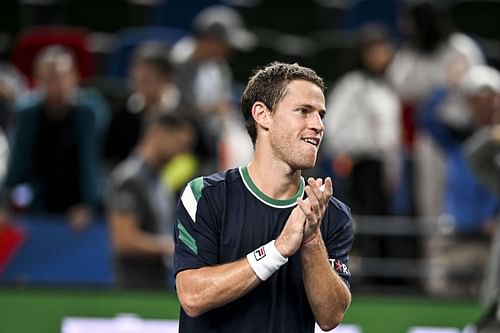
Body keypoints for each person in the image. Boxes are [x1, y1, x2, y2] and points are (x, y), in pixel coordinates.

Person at [173, 62, 353, 332]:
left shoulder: (331, 213)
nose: (318, 125)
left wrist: (313, 239)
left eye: (320, 115)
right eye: (303, 111)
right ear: (262, 115)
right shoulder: (205, 196)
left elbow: (330, 317)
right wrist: (278, 250)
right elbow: (193, 296)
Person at [420, 64, 500, 297]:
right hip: (458, 236)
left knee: (490, 300)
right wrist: (447, 86)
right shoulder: (459, 140)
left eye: (490, 98)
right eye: (476, 99)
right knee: (446, 296)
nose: (484, 104)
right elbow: (427, 118)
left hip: (490, 239)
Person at [0, 45, 101, 231]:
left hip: (78, 209)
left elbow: (91, 164)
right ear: (37, 80)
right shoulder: (27, 113)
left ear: (74, 77)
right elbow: (17, 164)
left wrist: (88, 205)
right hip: (38, 207)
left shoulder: (88, 113)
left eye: (60, 77)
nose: (55, 84)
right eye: (48, 78)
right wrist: (4, 204)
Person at [106, 113, 194, 289]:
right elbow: (124, 240)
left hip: (158, 284)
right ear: (158, 134)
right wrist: (173, 247)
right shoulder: (129, 179)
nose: (182, 153)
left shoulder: (161, 183)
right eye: (180, 143)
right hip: (133, 289)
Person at [170, 4, 256, 175]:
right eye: (225, 45)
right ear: (210, 40)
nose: (229, 51)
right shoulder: (178, 63)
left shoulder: (218, 66)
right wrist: (212, 110)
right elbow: (175, 110)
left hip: (210, 141)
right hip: (180, 146)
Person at [324, 24, 400, 215]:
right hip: (360, 162)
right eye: (375, 50)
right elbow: (332, 121)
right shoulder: (352, 84)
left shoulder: (389, 86)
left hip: (384, 163)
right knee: (363, 214)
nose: (381, 55)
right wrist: (344, 151)